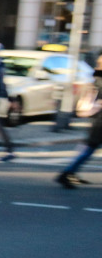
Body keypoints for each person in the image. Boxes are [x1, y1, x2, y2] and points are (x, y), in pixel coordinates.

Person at [55, 54, 102, 188]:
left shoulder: (97, 77)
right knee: (89, 149)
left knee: (88, 149)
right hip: (100, 122)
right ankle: (65, 174)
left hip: (97, 120)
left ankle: (70, 172)